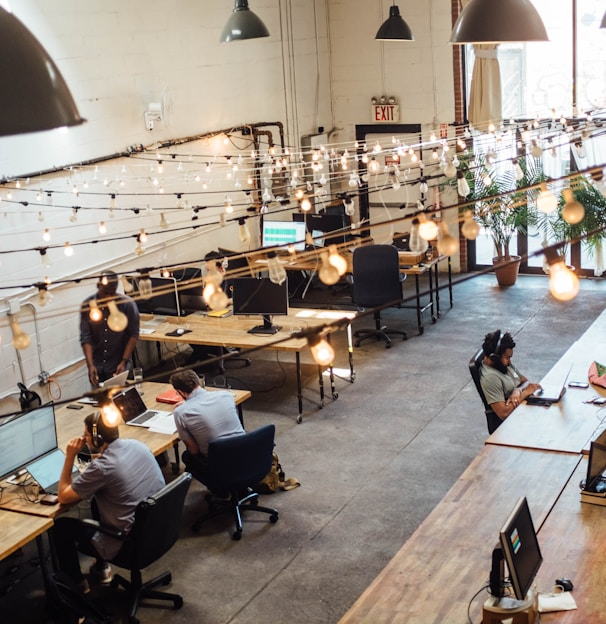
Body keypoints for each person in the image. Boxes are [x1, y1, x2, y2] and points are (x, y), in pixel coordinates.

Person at [53, 412, 165, 590]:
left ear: (98, 438)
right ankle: (101, 568)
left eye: (87, 436)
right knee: (98, 501)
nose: (84, 439)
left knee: (60, 528)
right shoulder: (137, 445)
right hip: (159, 531)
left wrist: (69, 457)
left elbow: (63, 497)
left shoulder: (103, 467)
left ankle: (77, 584)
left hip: (129, 544)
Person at [170, 369, 244, 484]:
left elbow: (194, 450)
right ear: (197, 382)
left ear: (180, 392)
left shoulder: (180, 412)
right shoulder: (225, 395)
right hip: (244, 452)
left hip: (219, 462)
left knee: (187, 456)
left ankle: (220, 488)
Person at [80, 270, 140, 386]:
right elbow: (85, 337)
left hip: (118, 362)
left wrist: (124, 361)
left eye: (112, 293)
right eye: (105, 292)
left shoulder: (127, 305)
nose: (108, 297)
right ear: (98, 286)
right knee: (101, 400)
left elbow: (133, 335)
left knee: (122, 397)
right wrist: (90, 365)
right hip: (98, 364)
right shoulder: (88, 305)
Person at [479, 329, 542, 422]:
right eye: (507, 357)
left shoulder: (503, 365)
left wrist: (517, 390)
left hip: (522, 408)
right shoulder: (490, 378)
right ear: (494, 358)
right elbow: (503, 414)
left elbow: (525, 381)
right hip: (512, 420)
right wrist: (525, 393)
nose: (510, 361)